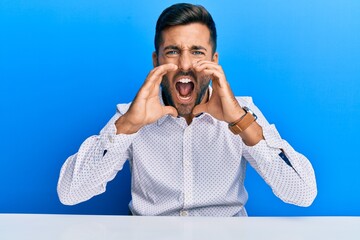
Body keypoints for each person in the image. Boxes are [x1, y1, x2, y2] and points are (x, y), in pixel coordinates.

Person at [57, 3, 317, 217]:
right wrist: (127, 127)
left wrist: (240, 121)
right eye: (172, 51)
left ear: (214, 61)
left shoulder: (243, 113)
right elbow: (69, 193)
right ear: (156, 60)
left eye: (197, 52)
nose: (184, 64)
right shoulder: (131, 115)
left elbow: (303, 194)